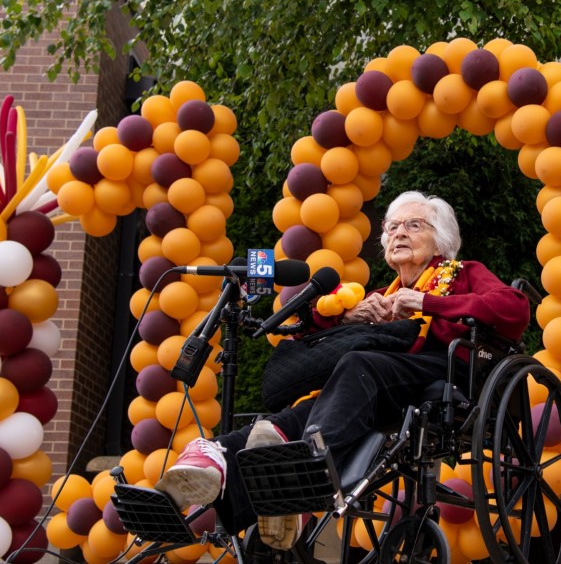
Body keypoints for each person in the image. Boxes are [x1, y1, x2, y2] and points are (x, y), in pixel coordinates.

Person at [155, 191, 530, 549]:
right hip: (381, 385)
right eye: (392, 226)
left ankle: (302, 474)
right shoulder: (383, 295)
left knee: (358, 365)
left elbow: (515, 308)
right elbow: (311, 331)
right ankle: (211, 461)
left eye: (414, 225)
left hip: (445, 370)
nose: (398, 232)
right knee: (303, 410)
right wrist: (350, 315)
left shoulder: (463, 272)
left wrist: (428, 302)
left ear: (441, 241)